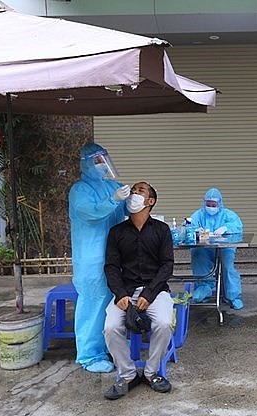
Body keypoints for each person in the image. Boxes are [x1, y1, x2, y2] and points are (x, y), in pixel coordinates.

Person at [103, 181, 175, 400]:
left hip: (156, 291)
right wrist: (120, 294)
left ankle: (152, 373)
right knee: (111, 327)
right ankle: (127, 375)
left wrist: (150, 293)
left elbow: (167, 265)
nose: (133, 193)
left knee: (163, 324)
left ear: (150, 201)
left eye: (140, 190)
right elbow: (112, 267)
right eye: (133, 190)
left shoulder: (162, 230)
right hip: (126, 291)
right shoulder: (117, 232)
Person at [69, 142, 130, 373]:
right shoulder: (79, 190)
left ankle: (110, 348)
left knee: (112, 304)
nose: (102, 165)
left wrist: (133, 202)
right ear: (85, 163)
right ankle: (90, 355)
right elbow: (91, 213)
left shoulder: (110, 186)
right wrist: (114, 199)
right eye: (97, 161)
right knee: (93, 304)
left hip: (114, 255)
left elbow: (123, 210)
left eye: (103, 159)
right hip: (92, 258)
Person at [190, 187, 244, 309]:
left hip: (225, 248)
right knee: (198, 256)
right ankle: (204, 289)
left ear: (219, 203)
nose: (211, 207)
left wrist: (226, 228)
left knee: (227, 266)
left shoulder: (228, 215)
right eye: (208, 204)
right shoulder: (198, 215)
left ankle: (233, 296)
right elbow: (190, 226)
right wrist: (196, 231)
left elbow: (238, 227)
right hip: (204, 248)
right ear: (204, 203)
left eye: (213, 205)